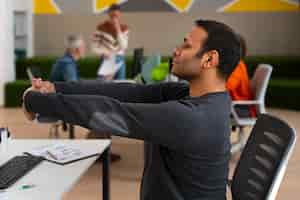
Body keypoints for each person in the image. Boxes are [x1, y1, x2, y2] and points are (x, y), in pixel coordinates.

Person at [22, 19, 241, 199]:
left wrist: (34, 102)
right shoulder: (194, 96)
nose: (176, 50)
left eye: (186, 45)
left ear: (209, 59)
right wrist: (55, 88)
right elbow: (127, 93)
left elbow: (110, 113)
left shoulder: (193, 117)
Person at [93, 4, 129, 80]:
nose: (114, 18)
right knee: (103, 85)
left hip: (120, 59)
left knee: (121, 86)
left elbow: (124, 46)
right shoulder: (101, 27)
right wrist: (103, 52)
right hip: (107, 59)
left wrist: (118, 30)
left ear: (120, 14)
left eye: (116, 16)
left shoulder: (124, 28)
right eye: (112, 16)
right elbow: (94, 47)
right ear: (109, 14)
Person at [226, 35, 255, 117]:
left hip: (241, 108)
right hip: (235, 105)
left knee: (207, 111)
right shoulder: (235, 64)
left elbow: (228, 86)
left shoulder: (237, 65)